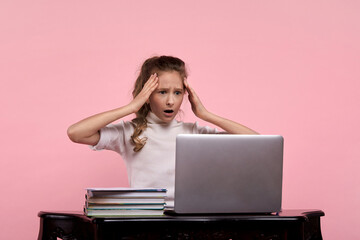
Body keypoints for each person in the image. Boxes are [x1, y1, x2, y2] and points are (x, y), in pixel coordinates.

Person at [67, 55, 258, 201]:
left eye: (177, 93)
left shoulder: (194, 132)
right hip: (147, 219)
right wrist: (131, 107)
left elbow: (257, 143)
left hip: (189, 219)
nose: (170, 101)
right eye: (162, 92)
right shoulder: (129, 132)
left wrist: (206, 115)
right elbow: (76, 133)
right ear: (147, 94)